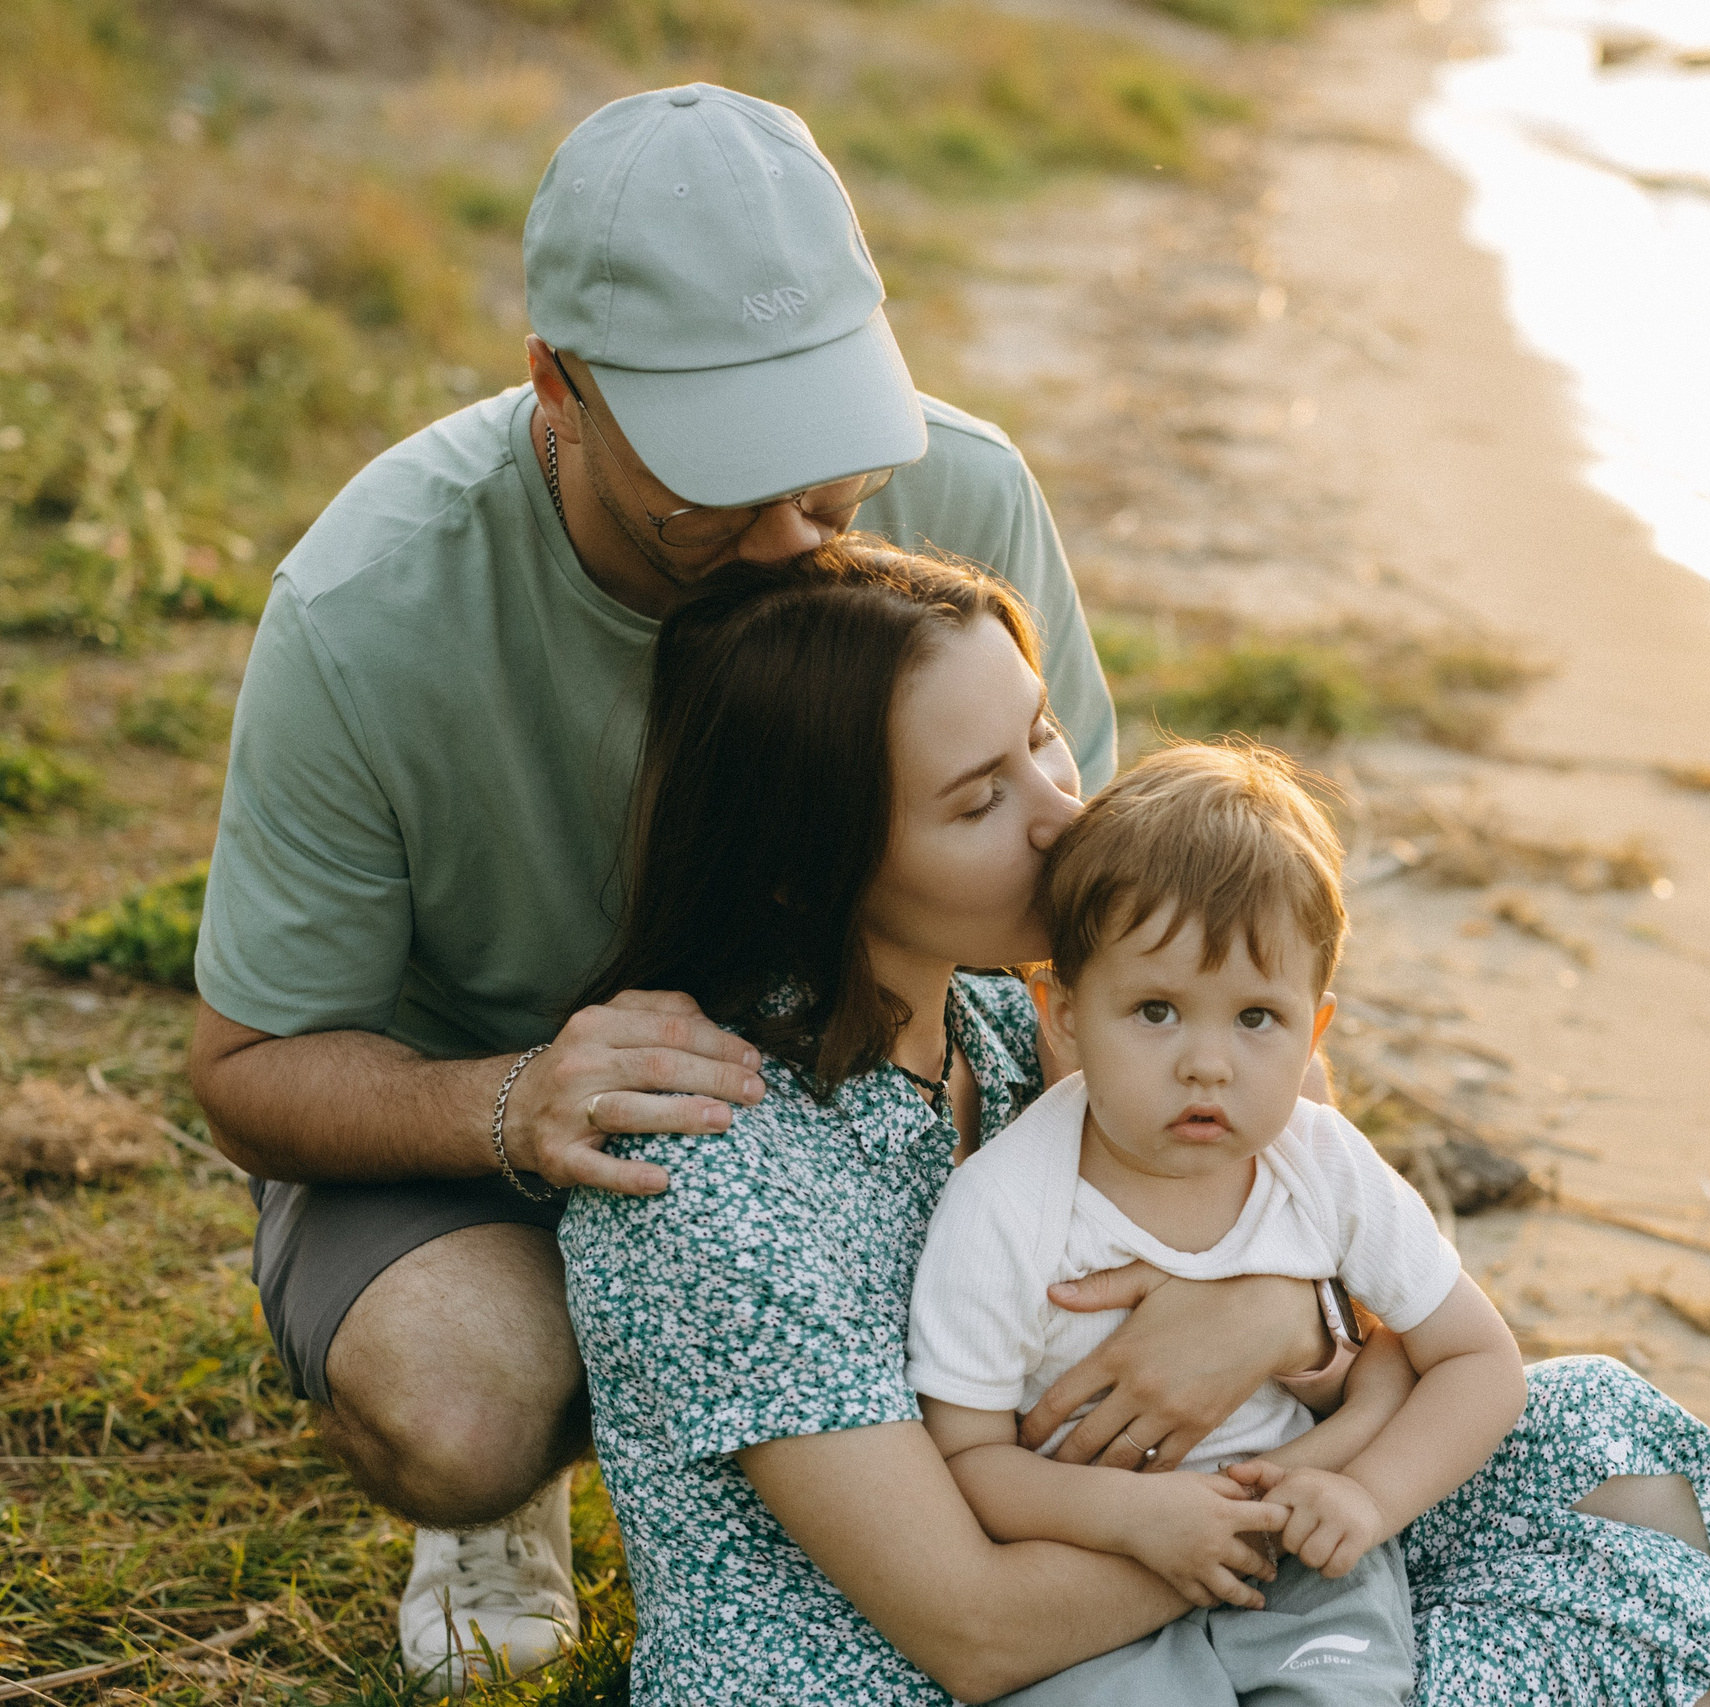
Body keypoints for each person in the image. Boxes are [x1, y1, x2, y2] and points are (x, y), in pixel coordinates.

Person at [186, 84, 1338, 1694]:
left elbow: (1136, 926)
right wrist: (514, 1102)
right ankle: (539, 1489)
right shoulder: (370, 611)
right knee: (463, 1405)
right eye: (720, 489)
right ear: (559, 391)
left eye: (835, 482)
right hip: (487, 1107)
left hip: (882, 1077)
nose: (802, 543)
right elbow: (249, 1065)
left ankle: (863, 1445)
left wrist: (1260, 1268)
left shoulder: (969, 487)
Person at [560, 539, 1710, 1706]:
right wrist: (1281, 1518)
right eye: (980, 798)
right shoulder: (714, 1160)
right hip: (933, 1665)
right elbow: (969, 1628)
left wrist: (1282, 1316)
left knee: (1595, 1426)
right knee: (1608, 1595)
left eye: (1045, 735)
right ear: (812, 860)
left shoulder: (1013, 1022)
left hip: (1209, 1580)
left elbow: (1329, 1223)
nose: (1064, 812)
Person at [906, 741, 1529, 1705]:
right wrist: (1135, 1517)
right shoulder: (1003, 1205)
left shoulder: (1320, 1164)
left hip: (1306, 1575)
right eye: (1156, 1010)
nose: (1208, 1062)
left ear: (1314, 1030)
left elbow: (1479, 1361)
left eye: (1255, 1018)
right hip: (1086, 1588)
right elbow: (972, 1458)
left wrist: (1369, 1495)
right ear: (1065, 1015)